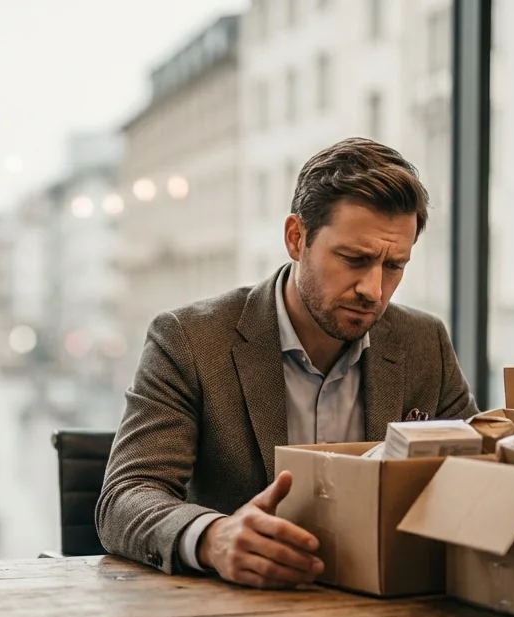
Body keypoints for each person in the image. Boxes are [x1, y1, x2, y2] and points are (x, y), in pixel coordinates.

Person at [97, 137, 478, 589]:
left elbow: (475, 474)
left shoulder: (423, 342)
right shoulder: (190, 340)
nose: (373, 290)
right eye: (354, 259)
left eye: (394, 265)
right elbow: (124, 498)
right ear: (296, 238)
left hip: (386, 613)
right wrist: (213, 537)